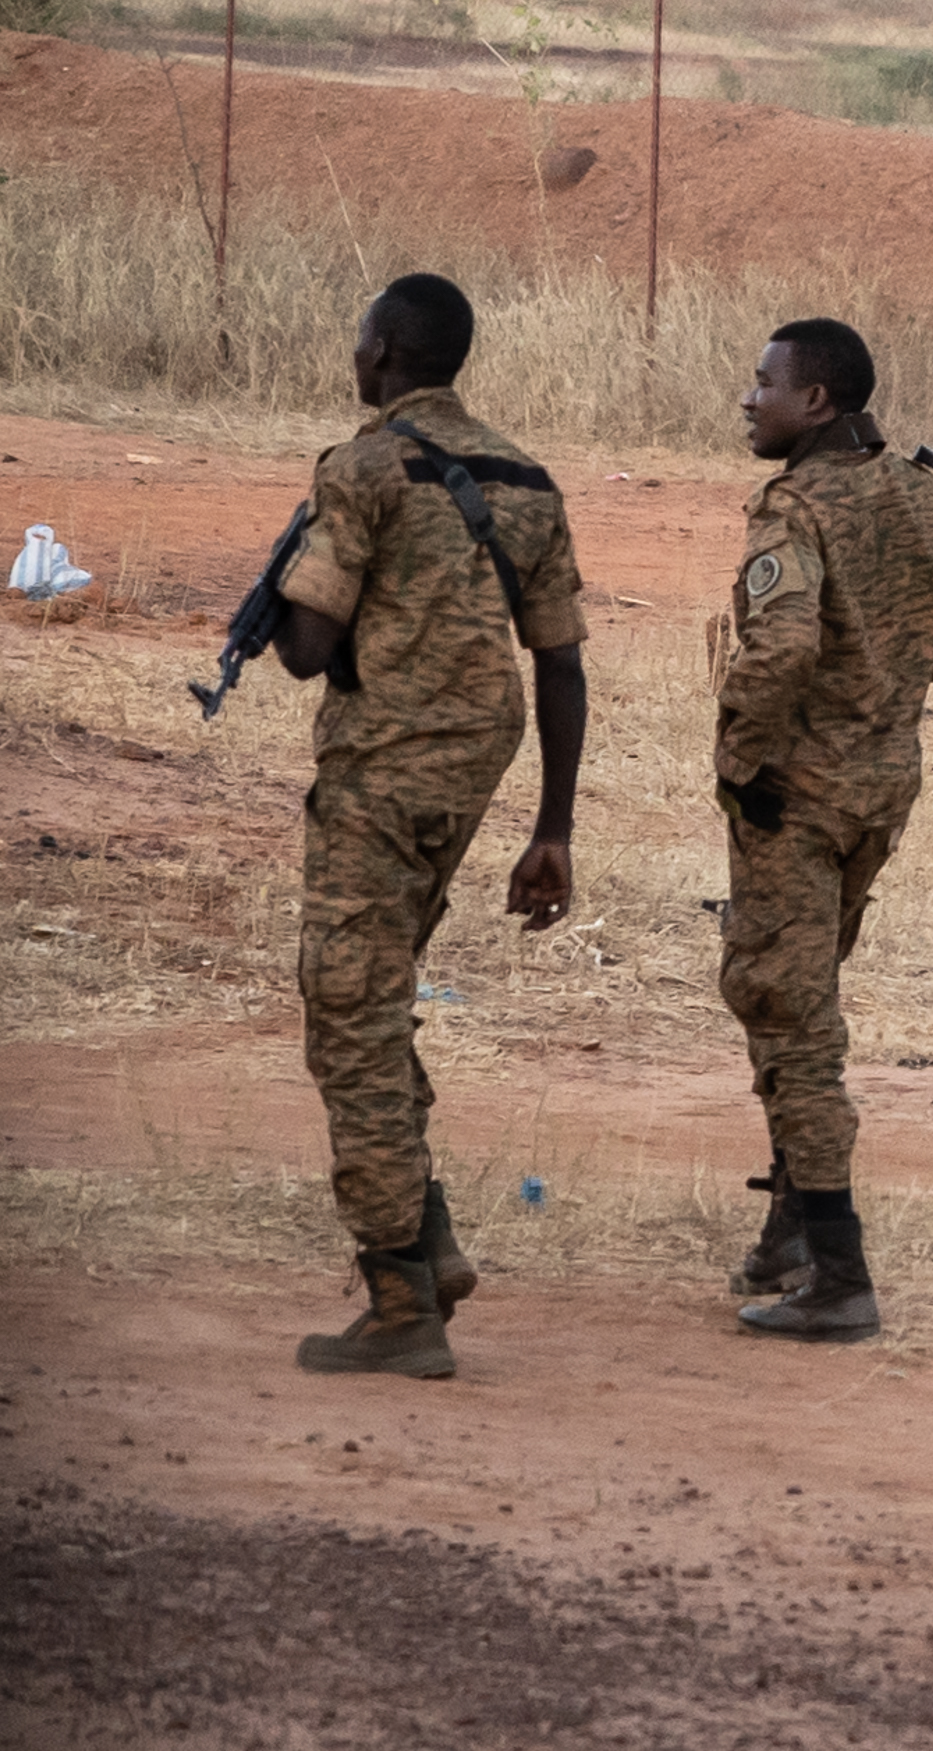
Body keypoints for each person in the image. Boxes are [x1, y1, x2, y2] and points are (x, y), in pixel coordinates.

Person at [268, 273, 585, 1380]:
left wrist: (279, 601)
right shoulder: (525, 478)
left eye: (362, 342)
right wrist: (554, 826)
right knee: (378, 986)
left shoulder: (361, 467)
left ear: (386, 353)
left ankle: (401, 1300)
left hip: (381, 770)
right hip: (475, 768)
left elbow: (311, 648)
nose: (355, 358)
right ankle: (431, 1236)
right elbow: (559, 659)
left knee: (347, 1014)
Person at [711, 317, 933, 1339]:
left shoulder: (794, 506)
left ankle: (839, 1272)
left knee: (790, 1012)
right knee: (793, 991)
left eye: (765, 383)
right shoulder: (924, 496)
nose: (748, 398)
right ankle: (791, 1230)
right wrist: (884, 678)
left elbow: (785, 641)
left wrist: (743, 758)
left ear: (818, 402)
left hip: (796, 796)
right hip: (881, 787)